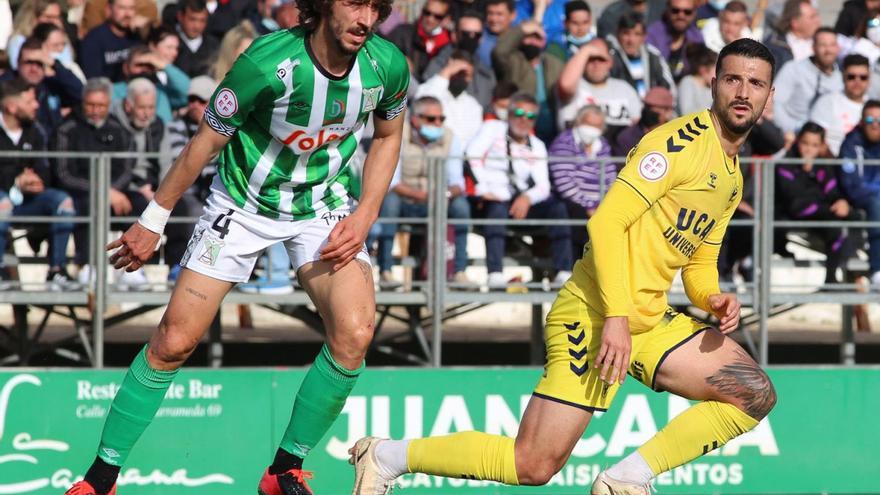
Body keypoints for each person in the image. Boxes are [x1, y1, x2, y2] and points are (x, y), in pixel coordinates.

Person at [349, 38, 777, 495]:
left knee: (753, 394)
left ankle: (626, 480)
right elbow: (607, 223)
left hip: (648, 322)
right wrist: (615, 317)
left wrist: (710, 296)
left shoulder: (732, 174)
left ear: (768, 97)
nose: (742, 92)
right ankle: (385, 456)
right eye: (733, 79)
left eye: (755, 83)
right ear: (712, 84)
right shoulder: (676, 145)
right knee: (532, 464)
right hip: (594, 315)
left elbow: (700, 260)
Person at [63, 0, 408, 493]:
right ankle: (100, 478)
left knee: (356, 334)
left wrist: (367, 212)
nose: (366, 20)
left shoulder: (387, 64)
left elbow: (389, 135)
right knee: (173, 342)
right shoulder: (266, 64)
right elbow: (204, 142)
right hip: (242, 206)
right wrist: (153, 218)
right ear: (323, 5)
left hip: (321, 207)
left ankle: (283, 469)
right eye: (354, 3)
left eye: (376, 7)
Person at [463, 92, 572, 289]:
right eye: (519, 113)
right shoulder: (492, 129)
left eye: (530, 116)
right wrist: (482, 188)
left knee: (559, 208)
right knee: (496, 208)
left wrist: (527, 198)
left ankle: (564, 271)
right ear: (509, 114)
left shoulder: (537, 145)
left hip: (521, 201)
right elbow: (472, 156)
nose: (524, 120)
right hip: (492, 198)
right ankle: (494, 273)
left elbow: (543, 186)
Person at [51, 77, 144, 278]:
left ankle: (133, 266)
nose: (95, 110)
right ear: (82, 103)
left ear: (109, 105)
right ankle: (87, 265)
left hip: (116, 192)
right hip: (81, 193)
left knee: (141, 205)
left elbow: (126, 169)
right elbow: (64, 174)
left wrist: (113, 191)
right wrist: (103, 191)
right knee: (89, 205)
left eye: (101, 105)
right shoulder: (66, 129)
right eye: (90, 104)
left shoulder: (119, 130)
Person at [375, 96, 471, 285]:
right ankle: (385, 270)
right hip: (406, 200)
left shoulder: (450, 138)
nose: (437, 123)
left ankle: (460, 270)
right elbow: (391, 182)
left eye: (441, 119)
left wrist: (445, 195)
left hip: (439, 201)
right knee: (390, 202)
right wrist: (423, 196)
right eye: (431, 119)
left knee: (461, 207)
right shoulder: (398, 135)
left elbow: (458, 182)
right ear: (415, 119)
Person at [0, 77, 77, 289]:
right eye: (30, 101)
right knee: (2, 203)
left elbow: (44, 167)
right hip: (3, 200)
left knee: (62, 201)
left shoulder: (36, 130)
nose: (36, 105)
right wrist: (15, 180)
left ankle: (57, 271)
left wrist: (36, 181)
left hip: (28, 201)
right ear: (11, 107)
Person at [777, 122, 858, 286]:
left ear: (821, 146)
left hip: (821, 214)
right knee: (834, 222)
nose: (808, 150)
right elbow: (796, 202)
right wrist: (807, 173)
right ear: (798, 142)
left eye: (814, 145)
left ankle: (853, 275)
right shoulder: (785, 165)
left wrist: (841, 202)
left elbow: (832, 191)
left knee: (853, 216)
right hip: (792, 216)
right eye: (805, 143)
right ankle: (842, 277)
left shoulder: (822, 166)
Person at [548, 104, 615, 258]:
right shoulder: (564, 142)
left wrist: (604, 205)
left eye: (597, 125)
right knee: (579, 221)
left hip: (600, 204)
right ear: (578, 122)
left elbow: (611, 177)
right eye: (589, 124)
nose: (592, 129)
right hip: (573, 203)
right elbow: (565, 183)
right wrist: (590, 206)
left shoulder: (602, 145)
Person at [557, 38, 642, 141]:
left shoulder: (624, 88)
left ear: (610, 62)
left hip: (618, 154)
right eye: (591, 58)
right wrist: (586, 50)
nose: (596, 64)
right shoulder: (575, 85)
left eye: (601, 59)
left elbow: (638, 126)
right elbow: (565, 86)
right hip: (577, 153)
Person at [492, 19, 563, 142]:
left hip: (548, 117)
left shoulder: (554, 63)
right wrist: (522, 29)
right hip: (521, 115)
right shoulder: (514, 61)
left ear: (543, 41)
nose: (532, 42)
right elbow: (499, 51)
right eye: (528, 37)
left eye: (537, 38)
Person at [839, 101, 880, 288]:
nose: (875, 124)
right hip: (861, 200)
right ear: (862, 122)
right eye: (870, 119)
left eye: (879, 120)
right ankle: (877, 270)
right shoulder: (851, 143)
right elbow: (851, 184)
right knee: (876, 205)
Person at [422, 10, 497, 111]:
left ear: (481, 38)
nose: (471, 38)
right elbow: (425, 100)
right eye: (466, 34)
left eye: (476, 35)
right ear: (454, 35)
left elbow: (487, 107)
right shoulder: (438, 65)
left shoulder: (486, 73)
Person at [773, 27, 841, 134]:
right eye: (823, 45)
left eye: (832, 45)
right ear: (813, 47)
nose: (828, 50)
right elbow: (775, 104)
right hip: (790, 132)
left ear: (838, 48)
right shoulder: (793, 69)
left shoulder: (842, 79)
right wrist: (792, 131)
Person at [416, 50, 484, 143]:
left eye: (465, 75)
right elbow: (423, 104)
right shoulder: (428, 88)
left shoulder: (474, 106)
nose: (460, 77)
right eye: (458, 72)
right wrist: (447, 71)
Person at [809, 54, 870, 156]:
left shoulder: (874, 108)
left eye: (863, 77)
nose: (857, 81)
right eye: (851, 77)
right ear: (843, 76)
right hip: (832, 164)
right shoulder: (827, 102)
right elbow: (814, 140)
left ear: (869, 79)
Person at [111, 45, 190, 123]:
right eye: (140, 65)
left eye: (150, 65)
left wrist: (165, 65)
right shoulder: (113, 91)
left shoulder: (161, 91)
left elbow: (187, 90)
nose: (144, 69)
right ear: (126, 68)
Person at [607, 11, 675, 98]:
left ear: (644, 36)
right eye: (626, 33)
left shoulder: (653, 56)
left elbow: (669, 87)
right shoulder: (610, 58)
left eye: (637, 34)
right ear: (617, 34)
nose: (631, 40)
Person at [385, 0, 452, 81]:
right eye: (427, 13)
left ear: (446, 19)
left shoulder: (448, 44)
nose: (430, 19)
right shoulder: (402, 32)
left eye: (437, 16)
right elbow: (385, 54)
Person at [79, 0, 141, 81]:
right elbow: (93, 78)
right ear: (109, 9)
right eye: (122, 8)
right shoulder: (94, 39)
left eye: (131, 8)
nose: (127, 14)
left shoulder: (137, 35)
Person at [645, 0, 704, 80]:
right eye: (675, 11)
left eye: (687, 12)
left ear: (694, 14)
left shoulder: (697, 37)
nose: (681, 16)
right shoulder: (652, 35)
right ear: (667, 10)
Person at [612, 86, 675, 157]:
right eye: (647, 106)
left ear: (668, 111)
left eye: (654, 107)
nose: (649, 111)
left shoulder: (675, 136)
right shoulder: (626, 137)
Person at [763, 0, 820, 68]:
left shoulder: (825, 43)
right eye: (812, 17)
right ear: (795, 23)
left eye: (817, 15)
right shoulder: (774, 47)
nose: (818, 20)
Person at [173, 0, 221, 78]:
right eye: (192, 19)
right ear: (180, 16)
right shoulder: (168, 42)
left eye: (202, 20)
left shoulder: (213, 46)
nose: (197, 26)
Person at [677, 44, 717, 115]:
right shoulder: (687, 82)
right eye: (715, 70)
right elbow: (686, 112)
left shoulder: (710, 88)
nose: (717, 75)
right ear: (703, 70)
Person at [476, 0, 516, 68]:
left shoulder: (520, 38)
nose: (494, 19)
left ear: (512, 15)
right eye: (490, 13)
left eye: (499, 14)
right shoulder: (477, 35)